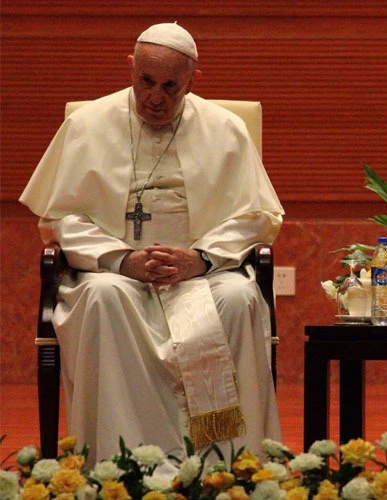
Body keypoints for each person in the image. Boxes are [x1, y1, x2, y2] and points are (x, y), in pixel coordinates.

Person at [19, 22, 284, 464]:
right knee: (103, 299)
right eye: (146, 81)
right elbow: (60, 218)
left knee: (238, 298)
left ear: (192, 81)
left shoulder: (225, 128)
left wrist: (199, 259)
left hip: (201, 271)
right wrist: (122, 259)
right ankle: (119, 462)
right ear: (130, 67)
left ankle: (226, 463)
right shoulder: (87, 125)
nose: (156, 98)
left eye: (170, 86)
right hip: (114, 270)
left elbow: (256, 215)